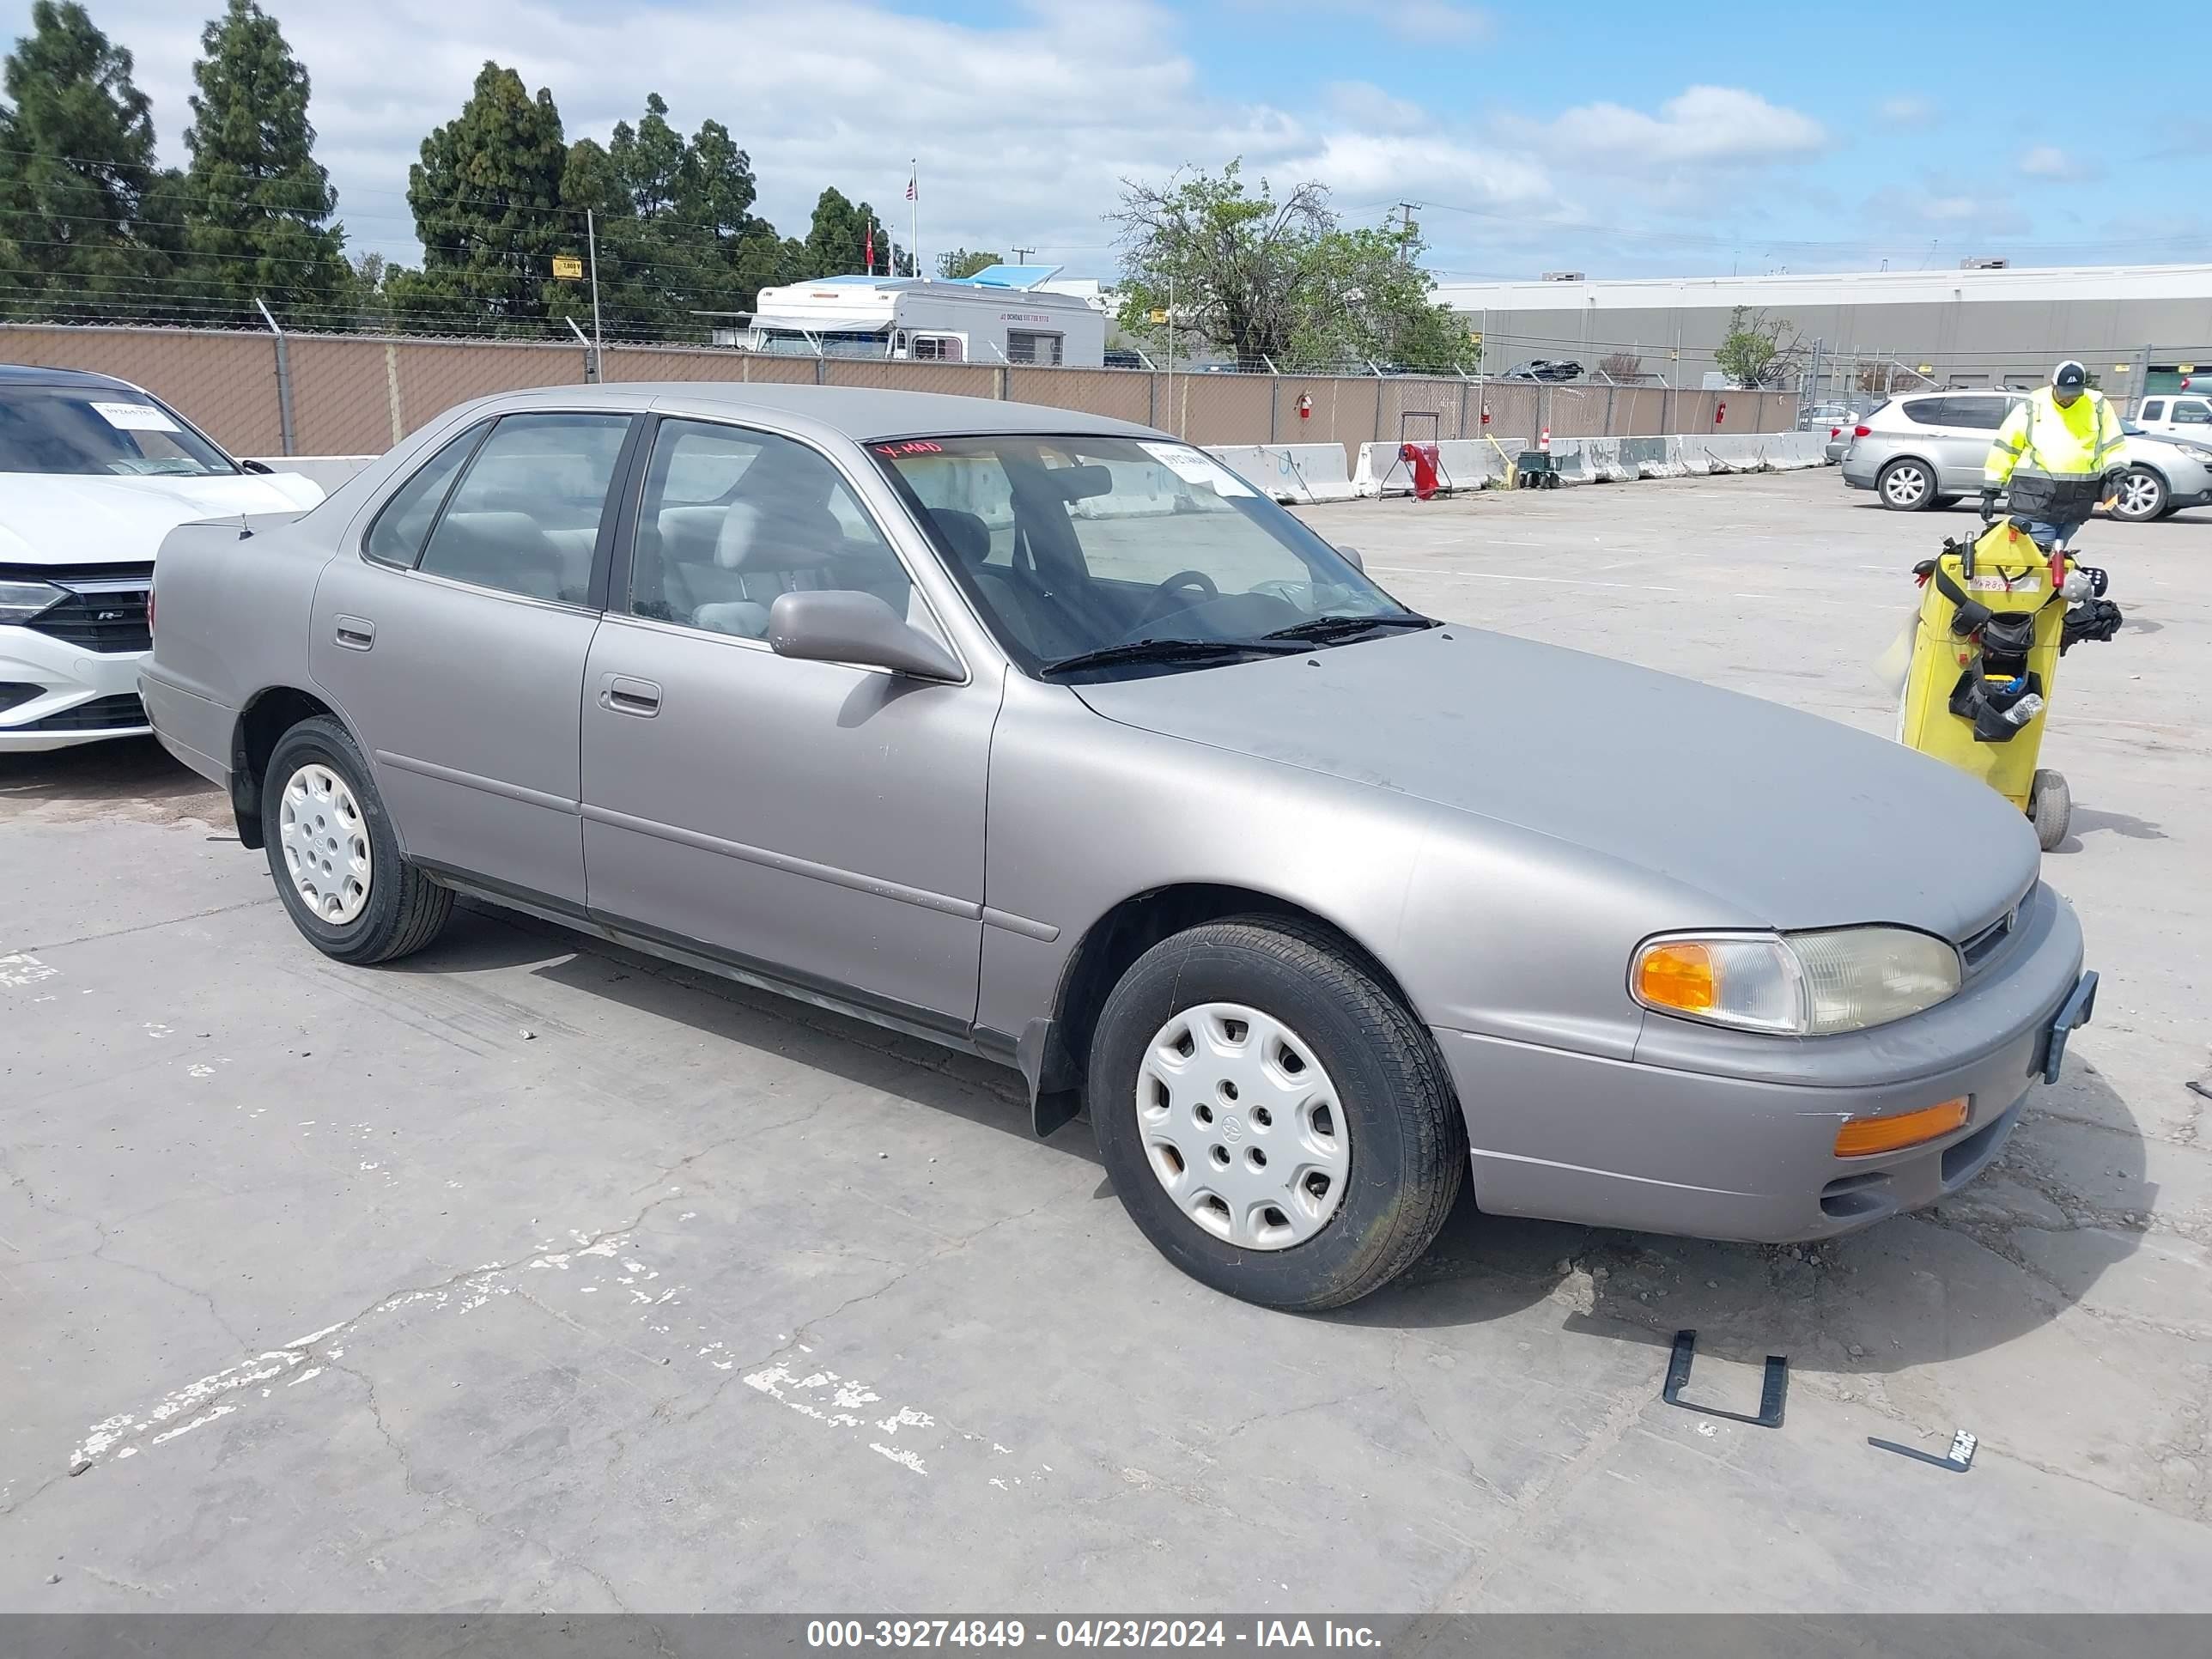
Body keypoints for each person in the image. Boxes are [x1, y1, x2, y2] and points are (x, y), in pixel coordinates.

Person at [1981, 360, 2129, 550]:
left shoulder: (2098, 406)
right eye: (2064, 394)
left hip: (2076, 502)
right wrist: (1990, 493)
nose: (2069, 400)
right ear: (2053, 384)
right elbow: (2005, 450)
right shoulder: (2033, 406)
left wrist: (2118, 479)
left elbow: (2113, 446)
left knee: (2055, 560)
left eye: (2075, 395)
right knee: (2040, 559)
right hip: (2034, 498)